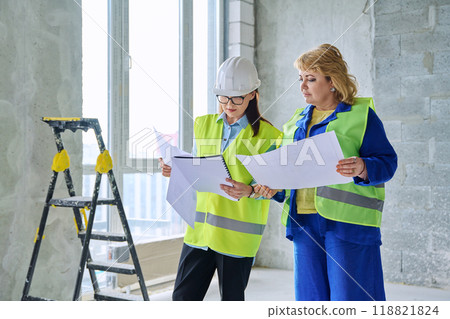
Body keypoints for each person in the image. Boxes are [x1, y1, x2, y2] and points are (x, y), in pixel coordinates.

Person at [255, 44, 397, 301]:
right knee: (311, 300)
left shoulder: (361, 116)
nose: (303, 86)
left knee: (351, 299)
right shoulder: (296, 121)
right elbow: (288, 172)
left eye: (311, 79)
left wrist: (363, 167)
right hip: (303, 222)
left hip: (347, 224)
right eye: (301, 79)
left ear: (332, 81)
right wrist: (274, 187)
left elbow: (388, 163)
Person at [159, 56, 282, 301]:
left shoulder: (269, 135)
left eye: (237, 97)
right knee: (182, 300)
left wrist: (248, 190)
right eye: (223, 97)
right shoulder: (203, 125)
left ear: (252, 95)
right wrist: (176, 170)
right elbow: (196, 168)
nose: (229, 104)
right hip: (199, 234)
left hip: (237, 239)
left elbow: (273, 187)